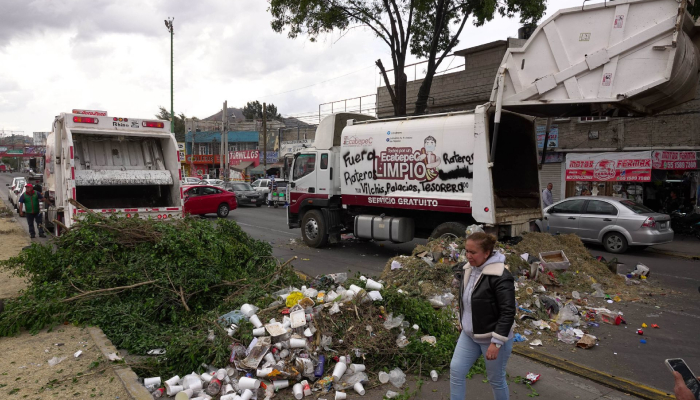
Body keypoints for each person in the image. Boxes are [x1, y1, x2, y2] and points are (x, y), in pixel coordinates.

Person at [450, 232, 515, 400]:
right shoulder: (469, 269)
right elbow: (467, 300)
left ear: (486, 253)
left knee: (496, 380)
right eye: (466, 251)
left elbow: (507, 312)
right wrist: (463, 321)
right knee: (456, 371)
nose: (468, 256)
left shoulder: (500, 276)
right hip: (470, 335)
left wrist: (497, 342)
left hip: (492, 339)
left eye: (473, 252)